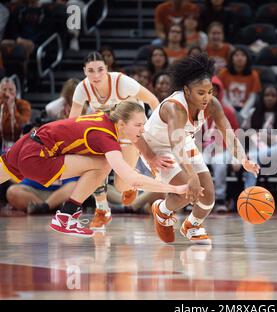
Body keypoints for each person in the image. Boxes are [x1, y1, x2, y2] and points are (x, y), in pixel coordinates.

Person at [0, 101, 187, 237]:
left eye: (144, 125)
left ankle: (69, 213)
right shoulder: (105, 137)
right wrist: (175, 189)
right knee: (103, 165)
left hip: (27, 144)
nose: (143, 130)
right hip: (38, 155)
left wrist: (149, 157)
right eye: (138, 125)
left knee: (101, 163)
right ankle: (66, 216)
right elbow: (131, 178)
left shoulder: (105, 118)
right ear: (121, 124)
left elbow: (133, 146)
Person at [141, 53, 259, 245]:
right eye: (201, 93)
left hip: (183, 141)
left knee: (208, 194)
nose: (207, 98)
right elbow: (175, 146)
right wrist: (192, 176)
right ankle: (161, 210)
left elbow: (228, 134)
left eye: (210, 91)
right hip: (157, 147)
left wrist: (243, 160)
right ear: (187, 91)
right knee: (187, 190)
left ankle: (192, 225)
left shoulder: (212, 104)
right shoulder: (175, 108)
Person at [69, 52, 160, 228]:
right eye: (91, 70)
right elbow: (71, 122)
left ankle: (132, 184)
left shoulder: (121, 82)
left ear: (107, 69)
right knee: (93, 165)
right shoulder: (82, 87)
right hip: (105, 129)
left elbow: (153, 100)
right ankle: (102, 209)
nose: (96, 75)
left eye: (100, 70)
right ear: (84, 71)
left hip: (129, 129)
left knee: (120, 186)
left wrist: (155, 130)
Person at [202, 76, 240, 213]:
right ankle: (200, 198)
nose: (212, 93)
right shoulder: (198, 111)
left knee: (220, 162)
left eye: (214, 90)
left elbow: (235, 135)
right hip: (204, 149)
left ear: (220, 92)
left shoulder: (228, 112)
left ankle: (220, 199)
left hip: (224, 149)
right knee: (195, 163)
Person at [244, 85, 277, 189]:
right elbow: (246, 134)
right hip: (256, 148)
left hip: (276, 152)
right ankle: (248, 194)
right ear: (262, 97)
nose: (269, 98)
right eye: (267, 95)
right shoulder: (253, 113)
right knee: (252, 158)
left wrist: (263, 136)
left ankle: (256, 156)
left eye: (273, 96)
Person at [218, 46, 262, 128]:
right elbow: (222, 95)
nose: (240, 58)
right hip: (227, 108)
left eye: (243, 55)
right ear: (232, 58)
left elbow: (252, 97)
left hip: (246, 110)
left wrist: (243, 113)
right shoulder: (223, 73)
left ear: (247, 58)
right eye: (236, 55)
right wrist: (232, 112)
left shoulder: (253, 75)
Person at [6, 177, 78, 214]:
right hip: (35, 193)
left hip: (61, 193)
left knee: (75, 185)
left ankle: (44, 207)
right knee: (12, 191)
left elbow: (73, 181)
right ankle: (45, 207)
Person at [0, 77, 32, 154]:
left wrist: (12, 108)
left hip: (19, 144)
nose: (7, 93)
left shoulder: (23, 104)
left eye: (11, 89)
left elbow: (24, 124)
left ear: (16, 91)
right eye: (4, 90)